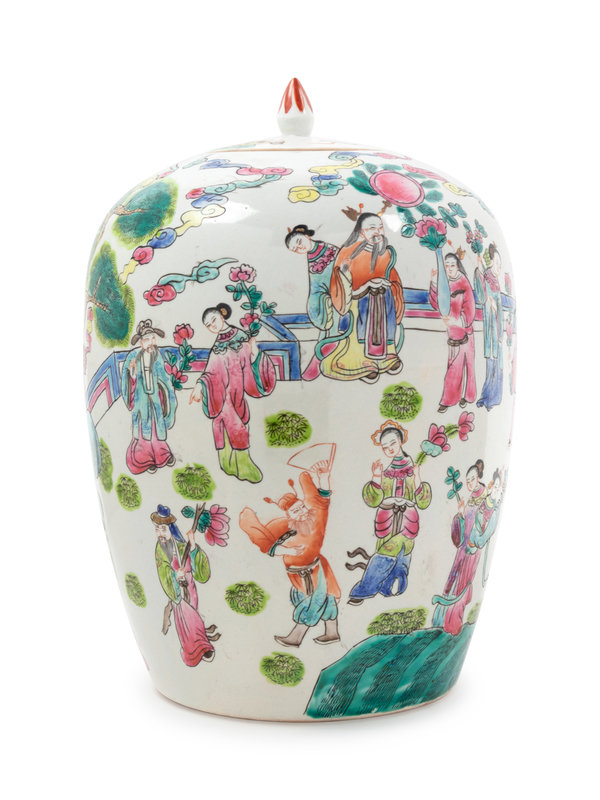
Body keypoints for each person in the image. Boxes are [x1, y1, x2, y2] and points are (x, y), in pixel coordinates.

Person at [239, 459, 341, 647]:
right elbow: (266, 544)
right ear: (289, 515)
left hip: (316, 571)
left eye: (302, 507)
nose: (302, 512)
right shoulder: (283, 529)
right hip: (296, 575)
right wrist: (286, 549)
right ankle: (332, 633)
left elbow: (322, 501)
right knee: (318, 599)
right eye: (296, 511)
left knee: (314, 602)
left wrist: (324, 477)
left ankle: (296, 637)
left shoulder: (315, 519)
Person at [189, 303, 276, 483]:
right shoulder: (217, 347)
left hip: (237, 392)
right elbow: (211, 372)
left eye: (213, 320)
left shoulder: (241, 336)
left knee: (240, 421)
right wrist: (200, 384)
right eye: (208, 325)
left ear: (222, 316)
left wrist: (255, 353)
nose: (212, 326)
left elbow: (248, 364)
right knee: (232, 425)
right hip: (221, 395)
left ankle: (236, 465)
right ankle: (236, 465)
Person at [346, 422, 431, 604]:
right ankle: (367, 589)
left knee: (403, 556)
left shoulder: (412, 469)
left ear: (401, 441)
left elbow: (423, 502)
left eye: (392, 443)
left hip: (407, 520)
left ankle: (391, 591)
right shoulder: (386, 473)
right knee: (385, 554)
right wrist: (376, 476)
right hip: (387, 520)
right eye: (385, 447)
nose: (389, 449)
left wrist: (417, 477)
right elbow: (373, 500)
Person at [319, 213, 405, 383]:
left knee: (385, 312)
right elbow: (340, 281)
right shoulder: (348, 252)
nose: (377, 232)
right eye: (372, 228)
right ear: (361, 231)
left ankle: (387, 356)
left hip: (382, 300)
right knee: (362, 318)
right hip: (357, 301)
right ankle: (360, 361)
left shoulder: (386, 253)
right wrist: (365, 287)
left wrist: (389, 286)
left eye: (380, 227)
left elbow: (393, 277)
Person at [152, 504, 219, 666]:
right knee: (188, 621)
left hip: (189, 588)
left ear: (171, 529)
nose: (160, 533)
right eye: (157, 529)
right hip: (177, 593)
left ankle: (200, 647)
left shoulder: (182, 546)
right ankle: (198, 650)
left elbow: (201, 573)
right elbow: (163, 571)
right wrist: (175, 575)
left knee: (193, 617)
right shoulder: (160, 551)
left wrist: (193, 546)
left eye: (163, 529)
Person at [432, 460, 488, 634]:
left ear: (478, 478)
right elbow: (463, 528)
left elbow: (482, 526)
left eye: (472, 479)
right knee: (453, 580)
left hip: (472, 550)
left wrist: (473, 542)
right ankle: (441, 622)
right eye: (467, 480)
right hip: (463, 548)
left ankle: (454, 624)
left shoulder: (485, 499)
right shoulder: (471, 499)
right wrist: (460, 512)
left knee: (463, 583)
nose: (469, 483)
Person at [121, 319, 177, 475]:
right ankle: (145, 460)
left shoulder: (157, 356)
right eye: (147, 339)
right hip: (141, 400)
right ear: (141, 342)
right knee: (143, 432)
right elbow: (127, 379)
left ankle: (162, 456)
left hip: (155, 399)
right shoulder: (133, 357)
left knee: (157, 429)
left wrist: (166, 393)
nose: (151, 342)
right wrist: (132, 374)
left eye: (153, 338)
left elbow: (163, 377)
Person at [429, 248, 476, 412]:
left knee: (467, 366)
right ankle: (450, 400)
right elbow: (436, 304)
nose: (449, 268)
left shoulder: (464, 283)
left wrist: (457, 321)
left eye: (452, 265)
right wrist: (434, 282)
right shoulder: (445, 283)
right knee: (453, 366)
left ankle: (466, 397)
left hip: (465, 332)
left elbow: (470, 309)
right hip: (452, 333)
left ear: (458, 266)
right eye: (446, 265)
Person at [285, 224, 341, 337]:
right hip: (326, 293)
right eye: (295, 250)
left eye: (299, 242)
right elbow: (315, 286)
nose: (299, 248)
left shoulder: (328, 248)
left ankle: (333, 335)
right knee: (315, 308)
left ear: (307, 236)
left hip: (339, 287)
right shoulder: (310, 259)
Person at [475, 244, 504, 410]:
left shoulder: (496, 282)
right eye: (497, 263)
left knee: (495, 363)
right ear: (491, 261)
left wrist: (495, 307)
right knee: (490, 364)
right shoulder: (487, 277)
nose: (499, 267)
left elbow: (498, 304)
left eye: (500, 264)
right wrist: (479, 269)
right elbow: (481, 296)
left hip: (496, 329)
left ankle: (493, 398)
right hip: (489, 327)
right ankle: (487, 396)